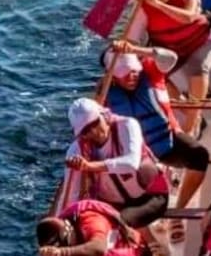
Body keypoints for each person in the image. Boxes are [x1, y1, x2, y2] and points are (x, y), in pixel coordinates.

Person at [103, 43, 210, 212]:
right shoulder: (105, 93)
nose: (132, 77)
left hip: (166, 141)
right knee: (131, 189)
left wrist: (135, 50)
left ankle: (178, 209)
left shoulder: (151, 72)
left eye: (134, 71)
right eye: (124, 74)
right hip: (137, 154)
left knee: (200, 155)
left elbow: (171, 57)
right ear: (114, 77)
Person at [129, 0, 211, 137]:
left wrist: (157, 4)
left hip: (201, 42)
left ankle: (189, 130)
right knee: (148, 73)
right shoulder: (144, 4)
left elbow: (189, 16)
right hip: (171, 49)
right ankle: (193, 114)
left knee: (198, 68)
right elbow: (132, 40)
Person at [64, 98, 170, 229]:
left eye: (95, 123)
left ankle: (144, 241)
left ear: (103, 114)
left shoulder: (128, 125)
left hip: (151, 197)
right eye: (86, 131)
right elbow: (72, 195)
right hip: (114, 205)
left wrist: (89, 166)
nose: (94, 132)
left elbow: (131, 163)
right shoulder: (76, 151)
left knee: (120, 221)